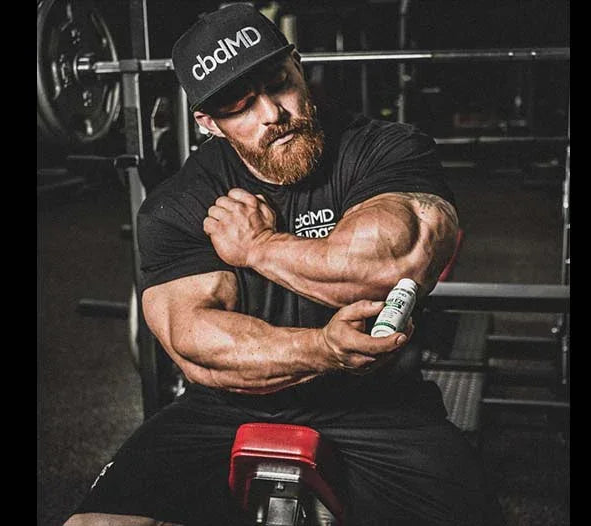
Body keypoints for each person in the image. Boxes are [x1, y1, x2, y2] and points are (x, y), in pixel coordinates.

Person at [65, 4, 503, 526]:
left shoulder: (385, 149)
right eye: (238, 105)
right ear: (207, 121)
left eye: (278, 83)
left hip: (381, 406)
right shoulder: (180, 202)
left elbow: (389, 263)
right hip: (222, 409)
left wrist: (258, 248)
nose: (272, 114)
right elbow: (197, 342)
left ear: (299, 65)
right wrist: (322, 348)